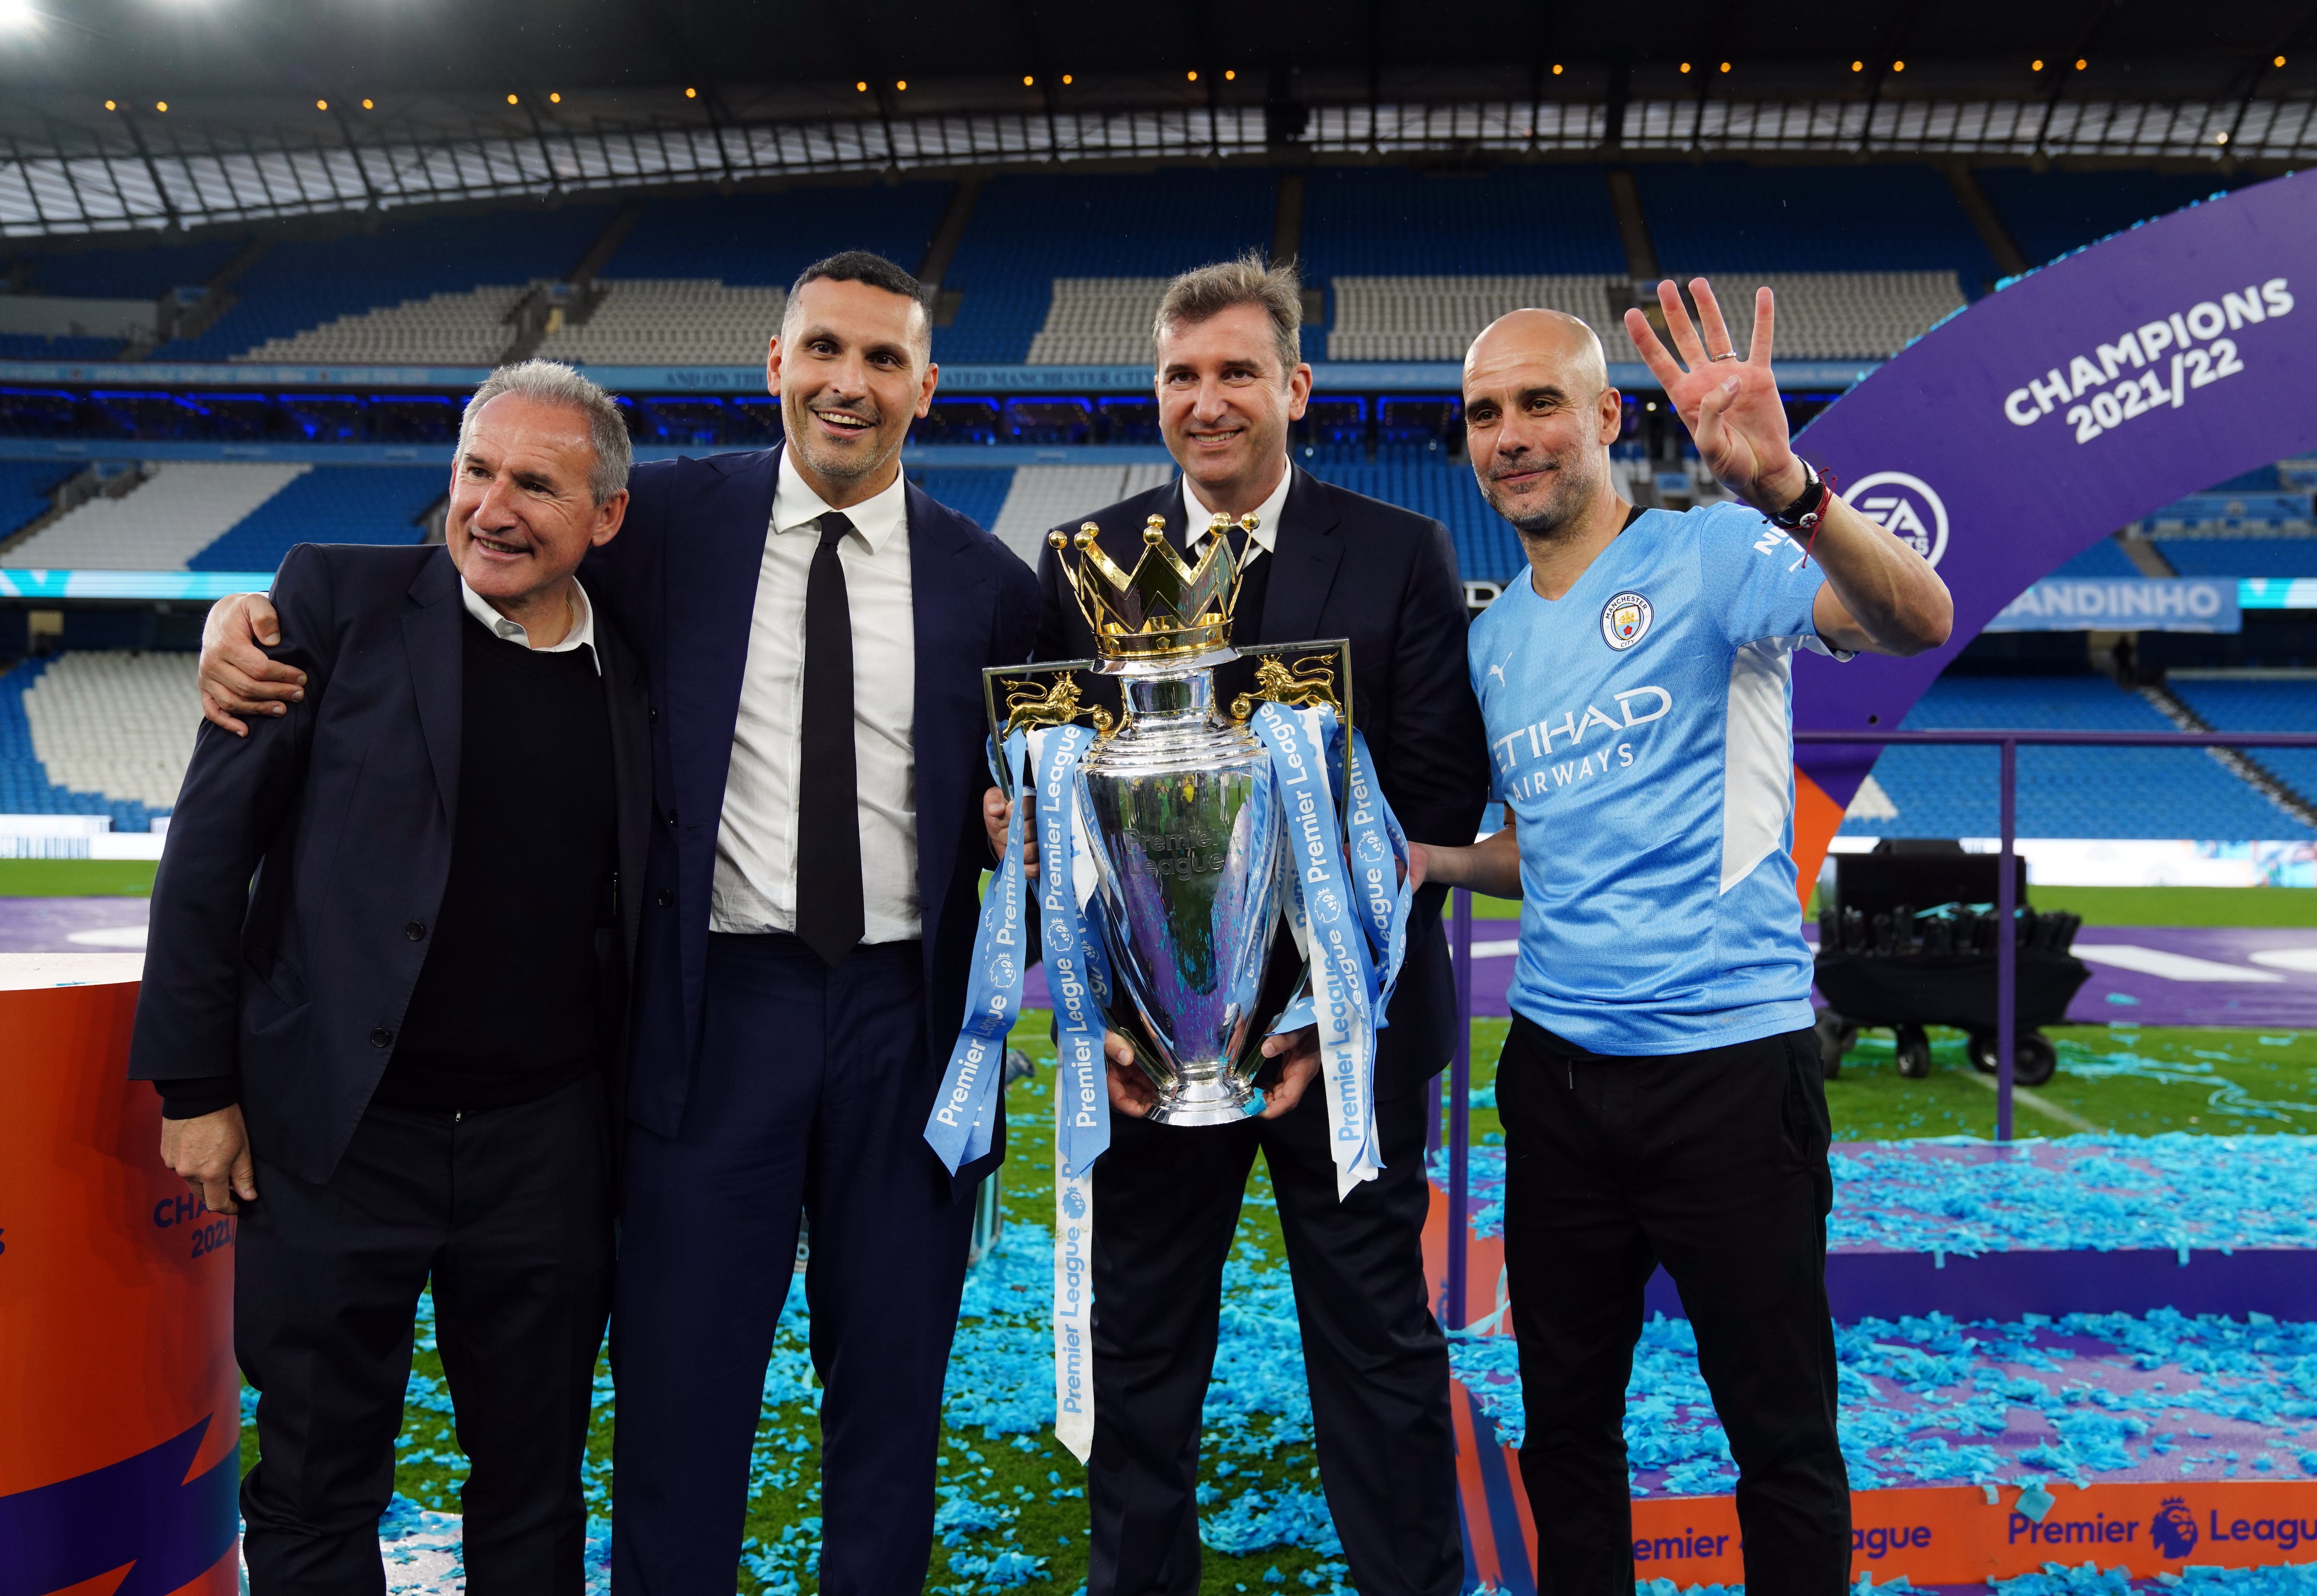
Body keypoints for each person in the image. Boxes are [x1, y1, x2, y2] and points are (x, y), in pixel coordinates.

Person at [194, 252, 1042, 1596]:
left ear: (928, 388)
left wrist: (1029, 857)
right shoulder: (663, 529)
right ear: (775, 365)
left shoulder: (998, 585)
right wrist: (243, 617)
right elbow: (474, 568)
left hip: (910, 1022)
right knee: (677, 1397)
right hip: (714, 1013)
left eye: (884, 360)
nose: (848, 382)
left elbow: (1039, 820)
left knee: (890, 1396)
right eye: (823, 348)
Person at [1411, 285, 1953, 1594]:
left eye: (1541, 402)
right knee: (1568, 1436)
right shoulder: (1490, 641)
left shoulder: (1716, 553)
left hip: (1729, 1078)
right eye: (1486, 414)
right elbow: (1545, 847)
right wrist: (1435, 861)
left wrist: (1792, 488)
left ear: (1605, 416)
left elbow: (1916, 620)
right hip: (1558, 1084)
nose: (1512, 435)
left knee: (1779, 1441)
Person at [989, 253, 1489, 1596]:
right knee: (1143, 1354)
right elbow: (1055, 823)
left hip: (1353, 1044)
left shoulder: (1401, 554)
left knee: (1378, 1354)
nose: (1208, 403)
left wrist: (1332, 1007)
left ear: (1297, 389)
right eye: (1182, 376)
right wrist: (1087, 1012)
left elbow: (1434, 806)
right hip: (1155, 1053)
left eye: (1236, 374)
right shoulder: (1083, 563)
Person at [134, 360, 651, 1595]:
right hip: (335, 1138)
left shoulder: (640, 664)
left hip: (545, 1146)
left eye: (537, 483)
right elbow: (210, 852)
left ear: (606, 517)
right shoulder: (332, 602)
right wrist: (196, 1087)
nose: (494, 507)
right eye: (477, 470)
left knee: (532, 1480)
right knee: (316, 1481)